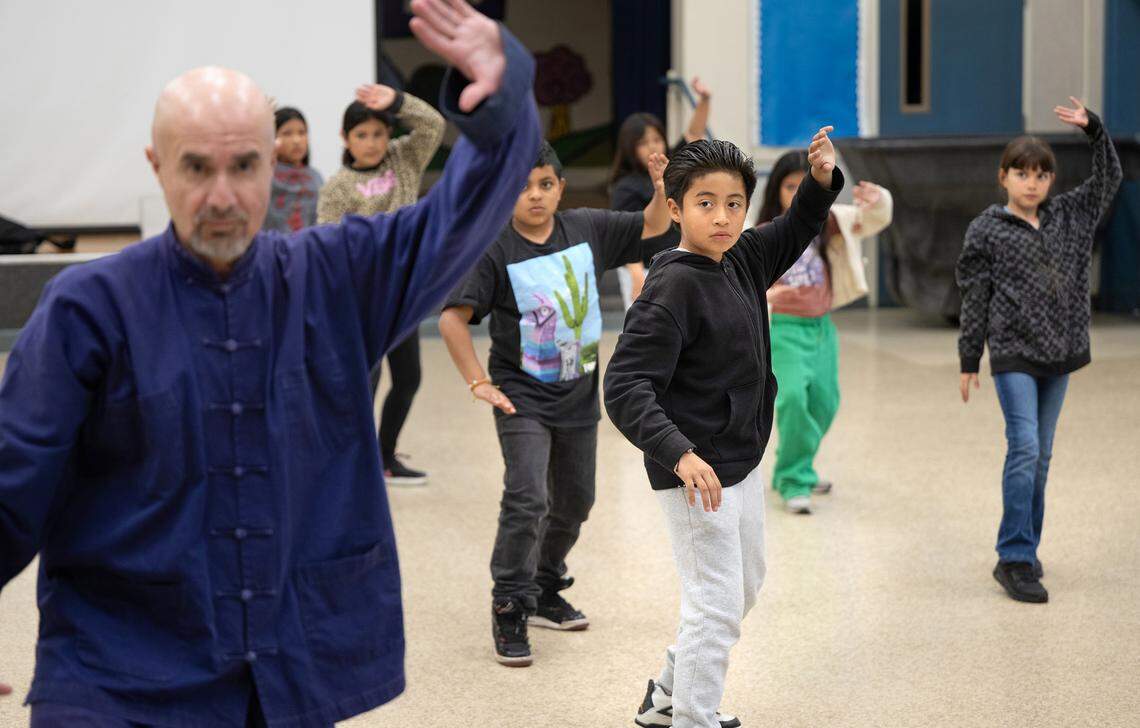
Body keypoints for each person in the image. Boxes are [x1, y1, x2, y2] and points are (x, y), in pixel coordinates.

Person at [0, 1, 541, 724]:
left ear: (278, 162)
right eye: (196, 167)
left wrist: (505, 97)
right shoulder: (88, 307)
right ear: (157, 167)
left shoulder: (339, 276)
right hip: (117, 675)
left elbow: (462, 213)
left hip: (287, 670)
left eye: (244, 166)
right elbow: (11, 478)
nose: (221, 197)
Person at [604, 131, 843, 728]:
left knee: (742, 589)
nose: (721, 216)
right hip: (695, 474)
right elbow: (625, 387)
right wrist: (679, 454)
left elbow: (795, 228)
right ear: (677, 207)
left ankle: (665, 696)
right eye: (705, 203)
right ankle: (692, 718)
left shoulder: (740, 257)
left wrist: (818, 180)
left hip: (739, 459)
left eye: (734, 202)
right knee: (715, 606)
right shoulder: (670, 289)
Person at [438, 141, 672, 667]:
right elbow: (453, 318)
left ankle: (543, 586)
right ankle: (509, 602)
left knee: (575, 502)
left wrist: (660, 193)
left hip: (577, 396)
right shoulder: (495, 248)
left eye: (545, 184)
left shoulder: (584, 228)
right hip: (521, 397)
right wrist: (478, 382)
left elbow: (651, 227)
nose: (535, 195)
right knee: (527, 497)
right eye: (522, 187)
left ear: (560, 188)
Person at [957, 97, 1121, 605]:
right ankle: (1013, 557)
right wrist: (969, 359)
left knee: (1042, 456)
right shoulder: (986, 229)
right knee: (1024, 447)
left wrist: (1094, 129)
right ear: (1003, 177)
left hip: (1061, 354)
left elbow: (1110, 176)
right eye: (1022, 173)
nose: (1032, 183)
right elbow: (974, 293)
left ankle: (1027, 545)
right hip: (1013, 355)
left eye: (1041, 175)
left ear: (1051, 180)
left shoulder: (1070, 214)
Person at [318, 79, 446, 485]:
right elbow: (328, 247)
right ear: (345, 138)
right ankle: (353, 463)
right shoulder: (337, 187)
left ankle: (385, 456)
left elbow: (433, 126)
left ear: (388, 133)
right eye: (361, 135)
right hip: (362, 301)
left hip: (404, 294)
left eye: (377, 133)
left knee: (408, 379)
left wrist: (398, 101)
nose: (371, 143)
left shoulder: (402, 161)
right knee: (364, 382)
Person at [755, 150, 893, 513]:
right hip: (783, 329)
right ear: (776, 191)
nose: (796, 192)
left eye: (801, 184)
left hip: (821, 328)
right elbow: (742, 280)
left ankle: (795, 461)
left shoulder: (826, 222)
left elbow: (869, 219)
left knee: (825, 403)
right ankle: (793, 478)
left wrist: (878, 200)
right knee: (793, 402)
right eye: (788, 186)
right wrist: (770, 293)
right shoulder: (765, 234)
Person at [609, 77, 712, 308]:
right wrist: (636, 275)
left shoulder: (673, 168)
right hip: (643, 269)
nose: (653, 146)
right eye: (644, 143)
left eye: (657, 139)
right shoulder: (626, 186)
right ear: (629, 147)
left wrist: (705, 99)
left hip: (678, 263)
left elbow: (694, 132)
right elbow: (624, 233)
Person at [262, 106, 324, 233]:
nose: (296, 140)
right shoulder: (264, 175)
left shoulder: (316, 178)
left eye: (302, 133)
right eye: (287, 133)